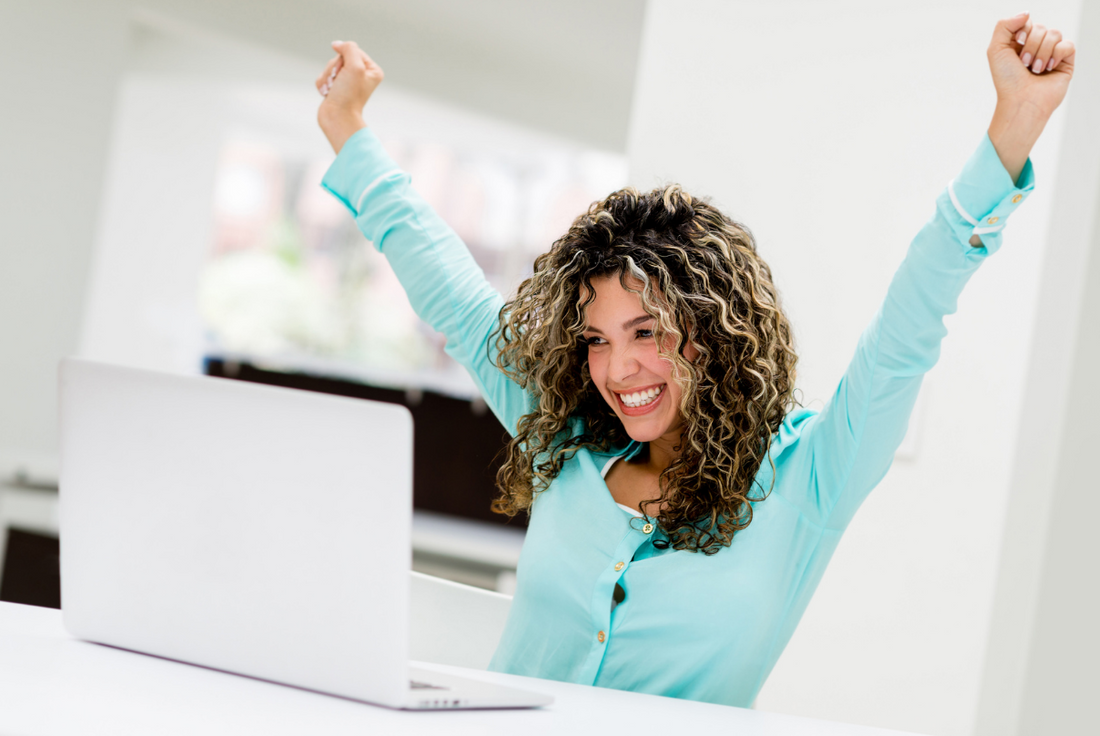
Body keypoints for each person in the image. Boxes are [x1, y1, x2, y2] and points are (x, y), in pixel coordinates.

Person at [313, 14, 1074, 707]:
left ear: (715, 331)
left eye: (647, 333)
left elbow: (906, 331)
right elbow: (454, 298)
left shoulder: (808, 478)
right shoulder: (567, 441)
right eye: (598, 340)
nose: (618, 370)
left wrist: (1011, 131)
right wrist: (349, 129)